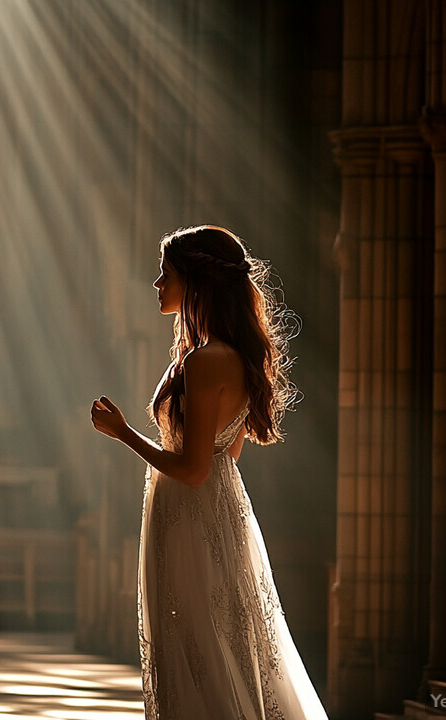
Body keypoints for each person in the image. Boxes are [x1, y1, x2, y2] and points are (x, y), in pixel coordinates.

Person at [90, 225, 330, 720]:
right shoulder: (231, 356)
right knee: (222, 644)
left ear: (196, 282)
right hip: (214, 512)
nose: (157, 284)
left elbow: (195, 470)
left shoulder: (203, 361)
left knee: (195, 646)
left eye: (166, 275)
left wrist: (124, 433)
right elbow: (226, 456)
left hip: (190, 517)